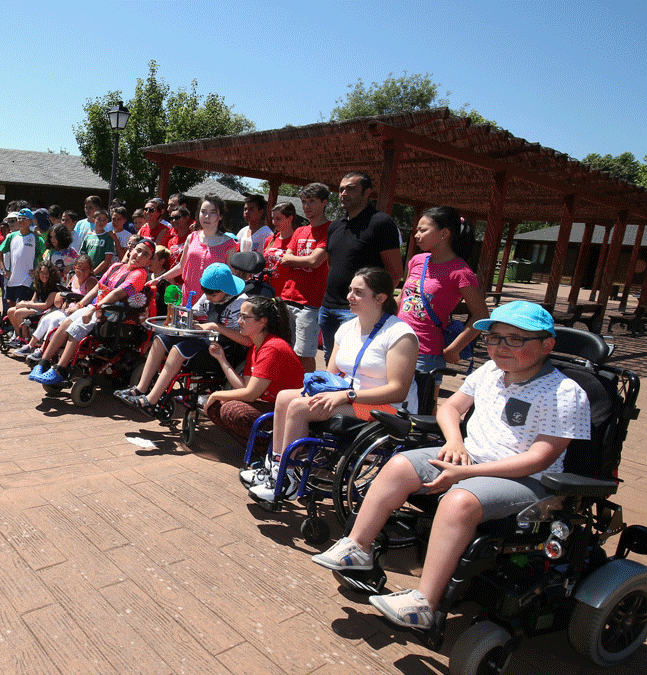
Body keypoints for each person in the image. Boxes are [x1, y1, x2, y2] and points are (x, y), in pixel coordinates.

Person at [311, 301, 590, 631]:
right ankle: (358, 547)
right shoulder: (489, 372)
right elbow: (450, 408)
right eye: (494, 338)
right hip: (468, 457)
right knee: (401, 464)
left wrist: (465, 473)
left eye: (515, 339)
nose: (501, 347)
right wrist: (455, 443)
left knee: (459, 501)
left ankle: (424, 602)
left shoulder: (565, 392)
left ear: (547, 345)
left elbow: (540, 458)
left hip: (525, 478)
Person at [252, 267, 418, 504]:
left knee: (299, 407)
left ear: (380, 298)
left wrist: (346, 396)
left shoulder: (400, 334)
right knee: (285, 397)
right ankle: (275, 466)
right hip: (350, 398)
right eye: (350, 290)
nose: (350, 296)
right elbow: (330, 375)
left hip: (386, 408)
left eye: (358, 292)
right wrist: (321, 391)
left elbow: (398, 390)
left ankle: (286, 478)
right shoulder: (348, 328)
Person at [115, 263, 249, 418]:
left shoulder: (240, 304)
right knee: (161, 338)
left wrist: (215, 326)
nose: (209, 299)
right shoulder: (210, 296)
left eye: (213, 296)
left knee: (180, 349)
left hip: (222, 349)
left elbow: (246, 340)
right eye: (207, 295)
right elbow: (193, 312)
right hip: (204, 339)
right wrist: (179, 314)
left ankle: (151, 401)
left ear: (225, 290)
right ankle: (141, 388)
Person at [29, 239, 154, 386]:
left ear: (148, 262)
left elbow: (117, 295)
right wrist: (80, 304)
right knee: (65, 323)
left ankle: (60, 370)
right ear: (131, 250)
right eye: (138, 250)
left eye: (145, 255)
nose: (139, 255)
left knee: (76, 328)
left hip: (112, 313)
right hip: (97, 308)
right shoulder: (116, 266)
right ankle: (43, 363)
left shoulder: (140, 274)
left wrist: (94, 309)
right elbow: (97, 288)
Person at [202, 296, 303, 455]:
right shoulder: (256, 347)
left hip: (287, 412)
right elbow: (244, 387)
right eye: (239, 316)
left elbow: (250, 394)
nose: (239, 321)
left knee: (232, 409)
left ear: (262, 321)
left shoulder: (273, 347)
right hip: (269, 405)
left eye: (244, 317)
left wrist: (215, 394)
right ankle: (262, 449)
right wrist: (222, 359)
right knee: (217, 407)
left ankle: (270, 452)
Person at [320, 171, 404, 359]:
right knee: (331, 363)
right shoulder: (335, 226)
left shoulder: (381, 223)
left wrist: (375, 304)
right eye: (341, 190)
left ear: (367, 192)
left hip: (360, 311)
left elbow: (395, 272)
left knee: (355, 363)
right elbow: (331, 265)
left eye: (350, 189)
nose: (343, 194)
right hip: (327, 308)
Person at [397, 206, 488, 377]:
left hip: (426, 353)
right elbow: (402, 298)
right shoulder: (417, 261)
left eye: (423, 230)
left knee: (422, 402)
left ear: (444, 233)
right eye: (417, 230)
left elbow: (481, 315)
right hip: (396, 342)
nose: (416, 235)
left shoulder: (461, 272)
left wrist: (454, 348)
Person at [277, 183, 332, 372]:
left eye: (312, 201)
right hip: (287, 298)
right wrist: (300, 260)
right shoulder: (300, 231)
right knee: (284, 349)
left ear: (324, 202)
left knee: (304, 354)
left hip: (310, 303)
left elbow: (315, 261)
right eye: (304, 201)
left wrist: (294, 260)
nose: (306, 206)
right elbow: (285, 259)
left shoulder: (329, 229)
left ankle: (306, 390)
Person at [154, 194, 238, 298]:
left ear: (220, 216)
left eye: (213, 212)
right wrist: (158, 279)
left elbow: (232, 276)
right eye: (203, 212)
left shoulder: (229, 243)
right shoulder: (191, 237)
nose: (207, 216)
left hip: (211, 303)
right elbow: (181, 266)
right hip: (187, 299)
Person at [7, 261, 62, 347]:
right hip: (37, 307)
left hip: (47, 310)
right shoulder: (39, 284)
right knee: (10, 311)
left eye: (47, 273)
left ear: (51, 274)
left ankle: (27, 340)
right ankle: (19, 336)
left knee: (19, 313)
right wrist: (24, 303)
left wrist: (27, 305)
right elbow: (33, 301)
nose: (44, 275)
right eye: (42, 273)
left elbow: (46, 305)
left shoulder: (54, 287)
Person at [0, 208, 46, 305]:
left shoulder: (36, 238)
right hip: (13, 278)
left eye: (24, 218)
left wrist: (38, 270)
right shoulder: (12, 236)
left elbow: (46, 255)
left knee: (20, 304)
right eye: (19, 218)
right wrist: (4, 269)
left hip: (27, 280)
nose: (21, 221)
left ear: (30, 221)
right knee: (10, 303)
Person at [79, 209, 117, 276]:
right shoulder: (87, 237)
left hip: (100, 276)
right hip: (86, 274)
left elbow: (107, 260)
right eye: (99, 219)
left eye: (104, 220)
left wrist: (93, 273)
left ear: (107, 222)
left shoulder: (108, 238)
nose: (101, 222)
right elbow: (82, 256)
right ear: (93, 220)